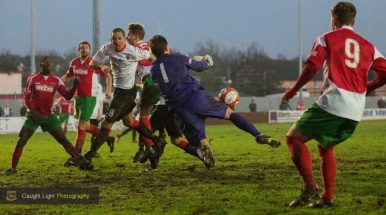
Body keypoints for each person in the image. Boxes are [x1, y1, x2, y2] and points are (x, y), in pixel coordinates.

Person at [280, 2, 386, 208]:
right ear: (354, 21)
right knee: (326, 146)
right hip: (355, 109)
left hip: (334, 101)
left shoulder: (327, 38)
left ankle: (310, 188)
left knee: (293, 139)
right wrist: (368, 87)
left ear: (333, 19)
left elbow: (312, 66)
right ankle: (328, 198)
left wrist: (292, 90)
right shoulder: (368, 45)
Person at [149, 35, 281, 169]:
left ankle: (206, 154)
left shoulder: (152, 70)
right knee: (229, 114)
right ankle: (258, 135)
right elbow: (199, 67)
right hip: (195, 98)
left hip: (178, 109)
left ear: (153, 52)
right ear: (167, 47)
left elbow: (171, 75)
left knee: (201, 139)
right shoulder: (177, 57)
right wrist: (206, 63)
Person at [80, 28, 163, 170]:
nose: (117, 41)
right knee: (129, 122)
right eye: (114, 39)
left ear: (124, 39)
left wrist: (158, 72)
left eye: (120, 38)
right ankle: (156, 142)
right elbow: (92, 63)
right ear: (111, 39)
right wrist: (102, 65)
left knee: (107, 122)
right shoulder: (107, 47)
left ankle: (89, 155)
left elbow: (152, 57)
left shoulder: (133, 51)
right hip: (119, 91)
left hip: (127, 93)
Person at [2, 56, 90, 175]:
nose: (48, 65)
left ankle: (81, 162)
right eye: (45, 63)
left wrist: (74, 86)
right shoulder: (32, 78)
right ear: (41, 64)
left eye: (50, 63)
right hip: (33, 116)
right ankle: (13, 168)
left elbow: (68, 96)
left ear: (51, 65)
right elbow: (26, 97)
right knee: (21, 140)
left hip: (49, 116)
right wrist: (31, 111)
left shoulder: (56, 80)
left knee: (63, 140)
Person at [61, 40, 112, 153]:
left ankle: (76, 154)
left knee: (81, 126)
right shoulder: (74, 62)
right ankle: (107, 137)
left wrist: (109, 91)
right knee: (87, 126)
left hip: (89, 98)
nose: (84, 49)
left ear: (89, 50)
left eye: (86, 47)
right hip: (78, 98)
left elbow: (108, 75)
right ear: (78, 49)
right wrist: (57, 82)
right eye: (82, 47)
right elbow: (68, 76)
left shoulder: (92, 63)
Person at [126, 23, 165, 169]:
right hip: (160, 82)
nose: (126, 37)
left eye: (128, 35)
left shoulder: (138, 48)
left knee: (142, 118)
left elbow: (144, 59)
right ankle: (154, 146)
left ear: (135, 37)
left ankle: (153, 149)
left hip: (150, 80)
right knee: (152, 116)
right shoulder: (150, 45)